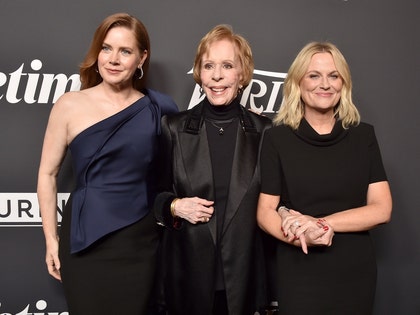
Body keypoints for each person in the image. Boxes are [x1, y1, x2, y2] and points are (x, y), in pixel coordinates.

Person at [37, 13, 178, 315]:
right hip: (85, 242)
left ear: (142, 57)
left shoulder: (159, 107)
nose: (113, 59)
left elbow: (181, 169)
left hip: (139, 244)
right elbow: (47, 174)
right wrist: (51, 239)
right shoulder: (69, 105)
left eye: (125, 51)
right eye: (106, 48)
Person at [256, 41, 392, 314]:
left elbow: (382, 208)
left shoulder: (363, 136)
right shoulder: (276, 138)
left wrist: (322, 224)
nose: (325, 84)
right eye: (314, 75)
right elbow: (265, 213)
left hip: (354, 273)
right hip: (299, 269)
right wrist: (304, 236)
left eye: (333, 75)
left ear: (344, 83)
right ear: (298, 82)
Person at [153, 25, 272, 315]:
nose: (217, 76)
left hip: (243, 281)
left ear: (242, 74)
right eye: (208, 66)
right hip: (187, 280)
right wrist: (176, 206)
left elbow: (276, 203)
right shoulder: (174, 128)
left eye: (227, 66)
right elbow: (153, 197)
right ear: (199, 73)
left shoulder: (265, 132)